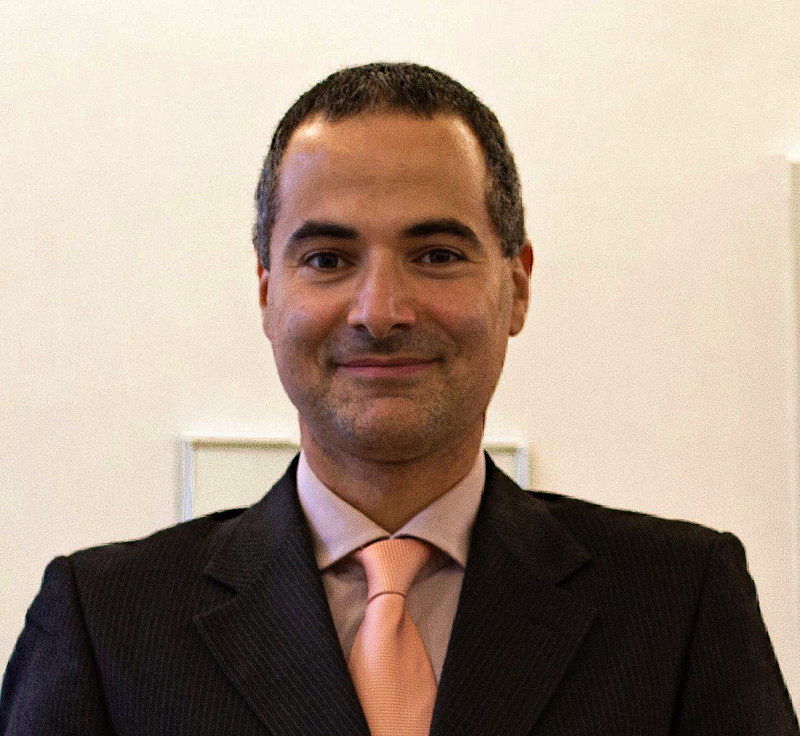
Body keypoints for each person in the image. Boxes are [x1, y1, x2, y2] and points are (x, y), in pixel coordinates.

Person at [1, 62, 797, 736]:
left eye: (437, 254)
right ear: (267, 292)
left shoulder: (679, 602)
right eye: (327, 258)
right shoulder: (105, 625)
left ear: (518, 286)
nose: (380, 311)